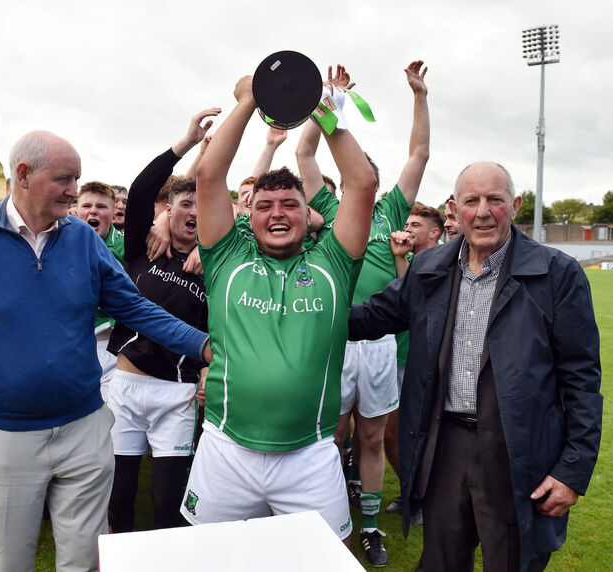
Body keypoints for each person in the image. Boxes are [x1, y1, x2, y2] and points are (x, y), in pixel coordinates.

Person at [0, 130, 211, 572]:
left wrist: (205, 346)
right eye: (65, 179)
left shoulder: (83, 239)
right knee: (12, 563)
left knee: (85, 562)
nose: (75, 191)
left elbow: (135, 307)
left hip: (86, 431)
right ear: (23, 174)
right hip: (4, 437)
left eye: (77, 179)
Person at [348, 162, 602, 571]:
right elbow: (372, 317)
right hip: (445, 447)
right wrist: (309, 313)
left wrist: (573, 469)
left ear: (515, 205)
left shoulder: (557, 274)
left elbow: (582, 378)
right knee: (443, 560)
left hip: (517, 451)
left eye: (494, 200)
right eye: (472, 201)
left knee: (511, 561)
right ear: (456, 208)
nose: (483, 211)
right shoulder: (430, 269)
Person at [180, 74, 377, 546]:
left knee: (329, 558)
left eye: (290, 203)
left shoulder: (334, 261)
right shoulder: (226, 257)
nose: (277, 213)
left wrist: (321, 108)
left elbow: (362, 182)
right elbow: (209, 175)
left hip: (310, 453)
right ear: (250, 214)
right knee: (211, 558)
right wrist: (250, 100)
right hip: (226, 447)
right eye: (265, 205)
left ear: (309, 214)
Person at [296, 61, 429, 566]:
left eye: (366, 174)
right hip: (331, 339)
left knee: (372, 438)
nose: (362, 181)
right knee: (329, 438)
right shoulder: (328, 209)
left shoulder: (392, 211)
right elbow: (305, 150)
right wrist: (328, 99)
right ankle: (326, 519)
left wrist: (419, 95)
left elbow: (419, 153)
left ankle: (370, 527)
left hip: (377, 345)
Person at [107, 108, 217, 533]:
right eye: (185, 203)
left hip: (177, 393)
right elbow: (139, 191)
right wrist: (185, 143)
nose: (194, 210)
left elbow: (220, 330)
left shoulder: (218, 266)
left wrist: (208, 366)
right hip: (126, 389)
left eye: (201, 204)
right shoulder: (142, 246)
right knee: (119, 494)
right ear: (168, 212)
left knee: (168, 499)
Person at [385, 203, 445, 524]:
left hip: (423, 363)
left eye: (416, 225)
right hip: (397, 357)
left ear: (435, 233)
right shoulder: (407, 259)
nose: (407, 228)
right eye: (406, 222)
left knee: (420, 433)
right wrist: (398, 257)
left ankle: (423, 497)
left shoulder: (444, 264)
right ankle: (416, 494)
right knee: (395, 434)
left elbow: (415, 300)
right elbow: (401, 296)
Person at [75, 181, 125, 402]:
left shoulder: (131, 246)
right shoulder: (57, 242)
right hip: (73, 344)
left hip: (115, 348)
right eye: (86, 205)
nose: (93, 211)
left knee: (110, 424)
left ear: (114, 213)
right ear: (76, 211)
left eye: (101, 206)